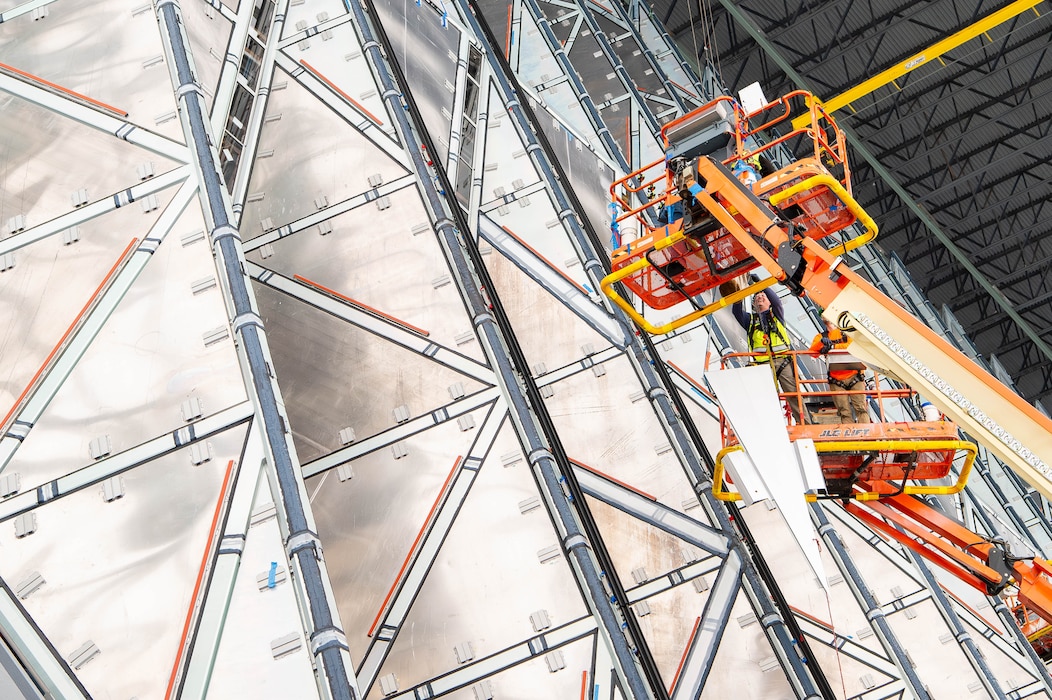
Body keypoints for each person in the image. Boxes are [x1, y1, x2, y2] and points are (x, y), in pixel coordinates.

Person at [732, 289, 802, 423]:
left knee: (793, 394)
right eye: (757, 297)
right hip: (762, 365)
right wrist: (739, 291)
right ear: (753, 304)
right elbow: (736, 312)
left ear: (769, 301)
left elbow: (777, 302)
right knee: (766, 399)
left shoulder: (776, 314)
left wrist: (763, 287)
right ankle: (772, 425)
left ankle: (804, 422)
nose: (760, 298)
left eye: (763, 296)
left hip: (782, 362)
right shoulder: (750, 320)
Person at [809, 319, 871, 424]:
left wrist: (832, 347)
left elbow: (852, 346)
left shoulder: (847, 332)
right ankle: (850, 432)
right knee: (844, 412)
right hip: (836, 380)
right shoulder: (821, 337)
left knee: (860, 409)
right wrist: (821, 344)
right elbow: (812, 352)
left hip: (854, 376)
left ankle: (866, 431)